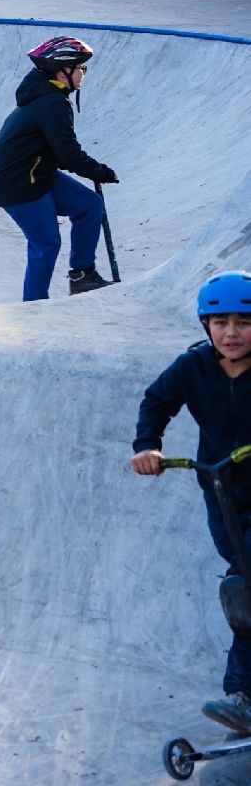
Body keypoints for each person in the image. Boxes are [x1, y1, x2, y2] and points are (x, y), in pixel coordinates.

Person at [131, 271, 251, 731]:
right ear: (206, 326)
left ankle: (241, 694)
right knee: (242, 583)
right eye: (220, 322)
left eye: (243, 322)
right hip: (221, 492)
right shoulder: (194, 366)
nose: (232, 332)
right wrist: (148, 446)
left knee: (245, 585)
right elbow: (157, 401)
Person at [0, 36, 118, 300]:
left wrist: (90, 169)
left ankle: (82, 276)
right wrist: (100, 171)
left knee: (89, 205)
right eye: (80, 68)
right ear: (63, 70)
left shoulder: (47, 96)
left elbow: (53, 150)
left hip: (37, 173)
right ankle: (33, 307)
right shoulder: (51, 103)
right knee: (45, 243)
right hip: (17, 182)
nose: (83, 74)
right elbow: (69, 154)